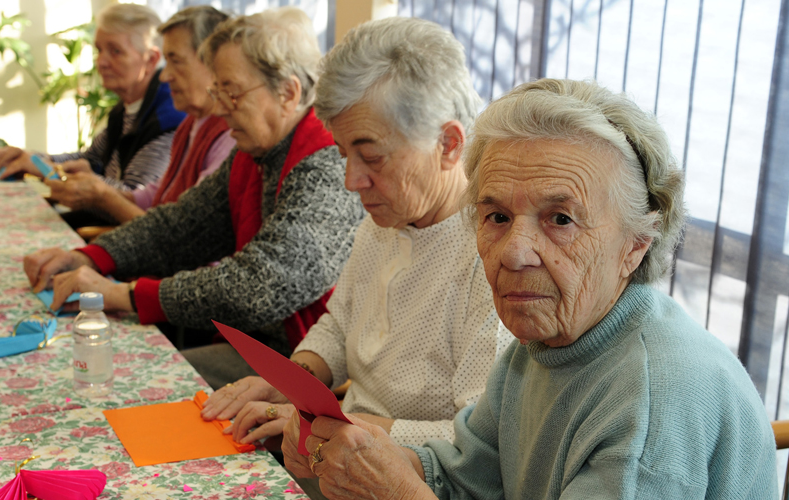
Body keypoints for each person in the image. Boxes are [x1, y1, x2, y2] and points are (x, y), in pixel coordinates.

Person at [281, 78, 779, 499]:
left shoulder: (651, 408)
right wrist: (372, 456)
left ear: (636, 246)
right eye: (496, 216)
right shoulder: (543, 343)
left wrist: (402, 493)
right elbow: (470, 474)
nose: (514, 254)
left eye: (560, 219)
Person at [200, 16, 514, 451]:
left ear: (449, 145)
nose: (351, 181)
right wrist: (289, 383)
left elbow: (476, 442)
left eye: (372, 158)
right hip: (338, 449)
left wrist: (343, 425)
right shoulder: (384, 222)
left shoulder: (494, 260)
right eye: (344, 155)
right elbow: (339, 325)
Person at [21, 8, 365, 370]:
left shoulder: (325, 162)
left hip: (299, 361)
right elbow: (182, 227)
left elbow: (259, 285)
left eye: (230, 91)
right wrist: (93, 256)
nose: (219, 106)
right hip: (252, 343)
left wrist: (126, 294)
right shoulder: (255, 150)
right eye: (218, 90)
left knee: (127, 375)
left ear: (288, 93)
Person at [0, 3, 185, 227]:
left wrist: (57, 173)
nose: (101, 62)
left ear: (151, 59)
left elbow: (133, 201)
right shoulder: (128, 108)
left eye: (115, 51)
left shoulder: (167, 120)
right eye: (99, 50)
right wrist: (35, 159)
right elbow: (92, 159)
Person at [44, 6, 237, 225]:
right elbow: (153, 195)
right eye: (99, 50)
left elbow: (181, 237)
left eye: (175, 61)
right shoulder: (190, 123)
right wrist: (44, 164)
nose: (164, 76)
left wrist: (102, 195)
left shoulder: (183, 124)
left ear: (213, 63)